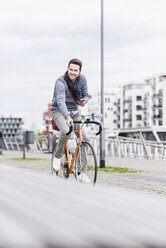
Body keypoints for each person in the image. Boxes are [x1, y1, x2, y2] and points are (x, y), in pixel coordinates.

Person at [51, 58, 90, 183]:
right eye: (71, 69)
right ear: (67, 69)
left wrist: (84, 100)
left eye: (75, 70)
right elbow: (61, 102)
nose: (73, 72)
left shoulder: (82, 79)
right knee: (67, 131)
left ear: (80, 71)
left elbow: (86, 94)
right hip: (58, 111)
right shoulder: (60, 82)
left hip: (75, 111)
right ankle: (58, 155)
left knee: (84, 138)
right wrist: (67, 116)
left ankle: (81, 172)